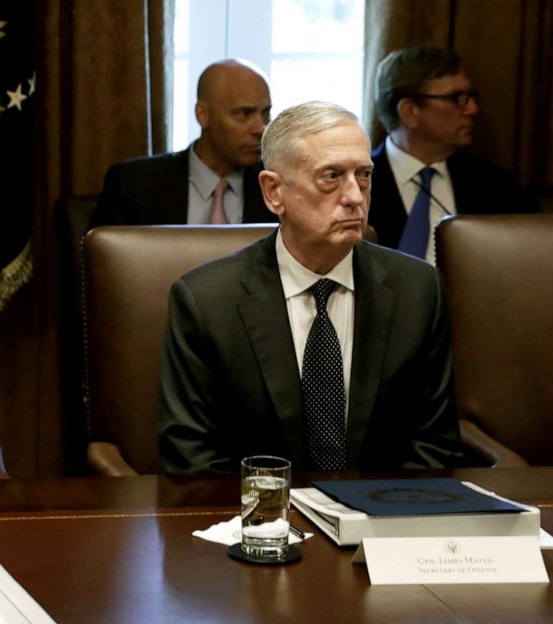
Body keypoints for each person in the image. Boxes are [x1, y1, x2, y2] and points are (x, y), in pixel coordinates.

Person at [159, 101, 468, 474]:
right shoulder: (206, 302)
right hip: (259, 522)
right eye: (331, 176)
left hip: (381, 519)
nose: (355, 196)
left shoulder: (418, 290)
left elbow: (434, 447)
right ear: (274, 192)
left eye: (364, 175)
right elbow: (193, 460)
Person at [370, 46, 539, 263]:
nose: (472, 109)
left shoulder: (501, 188)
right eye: (457, 98)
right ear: (410, 111)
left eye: (471, 96)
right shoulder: (356, 186)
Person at [90, 59, 277, 228]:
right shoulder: (134, 185)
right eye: (244, 114)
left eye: (265, 113)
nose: (261, 129)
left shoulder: (277, 187)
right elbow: (105, 263)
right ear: (203, 115)